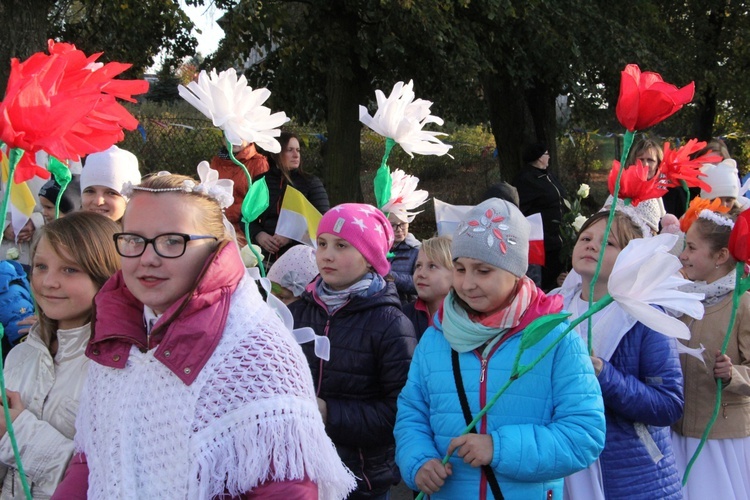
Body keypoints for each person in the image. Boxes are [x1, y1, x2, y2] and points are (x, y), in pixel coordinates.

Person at [52, 171, 355, 499]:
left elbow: (285, 487)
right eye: (134, 240)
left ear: (215, 249)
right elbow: (95, 459)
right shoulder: (116, 334)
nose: (148, 258)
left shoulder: (257, 352)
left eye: (172, 241)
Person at [394, 198, 605, 499]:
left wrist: (499, 447)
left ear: (516, 272)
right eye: (460, 268)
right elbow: (412, 411)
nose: (467, 284)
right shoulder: (436, 337)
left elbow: (585, 435)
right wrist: (418, 461)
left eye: (483, 271)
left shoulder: (556, 338)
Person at [289, 203, 417, 499]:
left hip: (361, 478)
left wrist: (328, 413)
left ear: (371, 258)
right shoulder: (298, 313)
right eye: (322, 244)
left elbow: (400, 412)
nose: (327, 255)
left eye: (342, 245)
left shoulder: (391, 324)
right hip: (304, 470)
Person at [556, 210, 684, 500]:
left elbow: (669, 405)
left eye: (607, 243)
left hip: (630, 473)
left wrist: (603, 373)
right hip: (567, 464)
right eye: (586, 237)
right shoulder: (553, 308)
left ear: (631, 258)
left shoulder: (643, 316)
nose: (591, 245)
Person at [0, 212, 121, 498]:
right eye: (41, 266)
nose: (48, 282)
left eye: (69, 270)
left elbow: (110, 480)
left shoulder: (116, 369)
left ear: (104, 274)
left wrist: (17, 432)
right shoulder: (20, 356)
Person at [672, 210, 750, 499]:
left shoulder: (742, 305)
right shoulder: (680, 298)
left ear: (720, 257)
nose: (683, 255)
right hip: (679, 432)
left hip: (721, 438)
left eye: (691, 248)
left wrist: (733, 375)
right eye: (684, 246)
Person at [251, 132, 330, 263]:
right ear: (276, 153)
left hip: (301, 258)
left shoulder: (311, 182)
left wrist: (290, 237)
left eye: (298, 150)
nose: (296, 155)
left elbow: (322, 220)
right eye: (290, 150)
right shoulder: (261, 182)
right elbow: (246, 218)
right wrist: (259, 235)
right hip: (264, 258)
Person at [513, 142, 567, 291]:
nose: (549, 156)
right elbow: (521, 208)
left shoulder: (548, 175)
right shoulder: (526, 179)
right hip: (543, 240)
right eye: (546, 153)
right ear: (539, 157)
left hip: (559, 238)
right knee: (546, 279)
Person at [210, 141, 269, 245]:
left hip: (245, 234)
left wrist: (227, 212)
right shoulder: (216, 161)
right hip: (217, 229)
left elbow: (259, 202)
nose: (235, 139)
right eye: (230, 134)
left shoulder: (258, 163)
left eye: (239, 134)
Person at [402, 236, 453, 340]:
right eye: (418, 266)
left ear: (455, 273)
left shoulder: (468, 319)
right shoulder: (403, 316)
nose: (421, 274)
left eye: (432, 266)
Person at [80, 145, 141, 222]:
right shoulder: (66, 232)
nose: (98, 202)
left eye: (111, 193)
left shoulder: (145, 232)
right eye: (90, 191)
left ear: (129, 201)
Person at [387, 213, 421, 303]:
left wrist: (391, 276)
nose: (399, 229)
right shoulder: (378, 250)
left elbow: (420, 285)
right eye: (393, 225)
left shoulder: (417, 251)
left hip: (406, 308)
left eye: (403, 224)